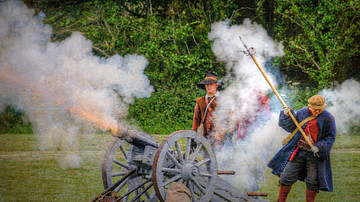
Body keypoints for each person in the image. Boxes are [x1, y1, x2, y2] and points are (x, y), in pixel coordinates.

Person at [267, 95, 336, 202]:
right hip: (298, 152)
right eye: (315, 109)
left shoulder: (328, 118)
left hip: (314, 155)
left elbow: (330, 137)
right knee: (286, 177)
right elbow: (291, 128)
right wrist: (286, 116)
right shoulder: (302, 113)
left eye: (320, 109)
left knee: (313, 181)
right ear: (310, 106)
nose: (317, 112)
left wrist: (319, 147)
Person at [192, 72, 233, 150]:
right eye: (207, 84)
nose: (209, 86)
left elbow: (231, 119)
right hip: (207, 139)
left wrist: (226, 134)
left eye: (211, 84)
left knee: (224, 160)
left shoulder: (224, 99)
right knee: (209, 161)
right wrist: (193, 137)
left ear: (216, 85)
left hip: (223, 139)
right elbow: (196, 121)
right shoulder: (200, 101)